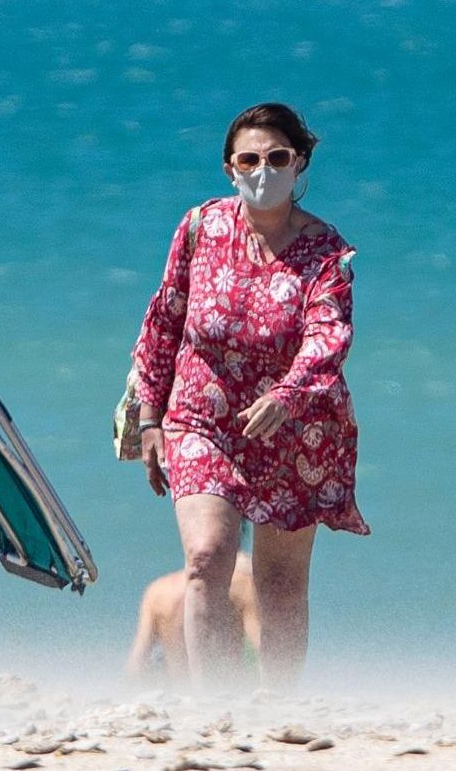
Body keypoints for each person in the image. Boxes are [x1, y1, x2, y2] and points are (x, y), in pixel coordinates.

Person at [131, 102, 367, 690]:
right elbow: (164, 320)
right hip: (200, 418)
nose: (263, 170)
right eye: (249, 159)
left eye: (278, 158)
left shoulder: (327, 254)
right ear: (229, 167)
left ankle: (280, 705)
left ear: (300, 161)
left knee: (280, 583)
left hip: (296, 428)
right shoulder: (198, 228)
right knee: (208, 557)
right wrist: (149, 415)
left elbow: (328, 334)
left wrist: (288, 394)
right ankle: (215, 708)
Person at [125, 530, 260, 684]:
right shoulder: (242, 585)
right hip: (224, 693)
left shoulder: (157, 591)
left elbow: (136, 665)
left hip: (181, 697)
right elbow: (261, 647)